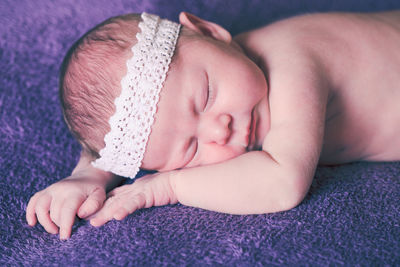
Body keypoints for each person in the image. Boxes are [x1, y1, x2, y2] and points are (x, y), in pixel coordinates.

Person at [26, 11, 400, 240]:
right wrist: (88, 176)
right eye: (191, 148)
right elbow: (129, 135)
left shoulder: (294, 61)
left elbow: (283, 183)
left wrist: (167, 186)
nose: (217, 131)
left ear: (208, 32)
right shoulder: (212, 90)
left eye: (206, 96)